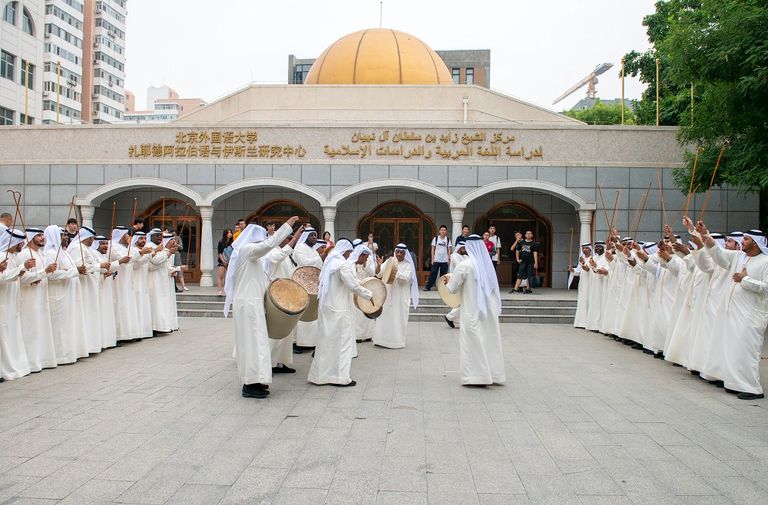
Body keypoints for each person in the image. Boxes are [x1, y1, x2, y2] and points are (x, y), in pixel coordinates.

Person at [224, 217, 298, 399]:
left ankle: (257, 380)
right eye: (260, 239)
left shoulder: (253, 258)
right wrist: (287, 227)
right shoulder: (246, 250)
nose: (262, 242)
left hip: (253, 303)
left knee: (257, 343)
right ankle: (250, 384)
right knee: (252, 343)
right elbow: (267, 246)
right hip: (248, 304)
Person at [699, 223, 768, 400]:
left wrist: (745, 280)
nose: (742, 242)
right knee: (732, 348)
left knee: (747, 350)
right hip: (734, 312)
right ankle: (735, 383)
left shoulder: (765, 262)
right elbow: (720, 256)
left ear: (756, 243)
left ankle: (753, 388)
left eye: (746, 239)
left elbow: (766, 288)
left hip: (751, 314)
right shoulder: (739, 257)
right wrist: (705, 236)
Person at [308, 241, 373, 387]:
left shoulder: (329, 264)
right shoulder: (341, 265)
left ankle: (320, 376)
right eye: (349, 252)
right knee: (342, 343)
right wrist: (369, 295)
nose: (350, 255)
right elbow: (353, 285)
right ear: (345, 251)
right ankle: (340, 378)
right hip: (340, 310)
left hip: (327, 309)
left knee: (326, 343)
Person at [444, 235, 505, 386]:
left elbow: (452, 289)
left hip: (472, 310)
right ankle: (494, 374)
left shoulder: (465, 265)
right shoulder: (486, 265)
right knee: (488, 339)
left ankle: (476, 377)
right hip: (488, 311)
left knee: (472, 342)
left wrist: (447, 282)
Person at [17, 228, 59, 372]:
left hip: (41, 298)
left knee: (40, 329)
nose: (42, 238)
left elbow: (41, 275)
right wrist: (43, 273)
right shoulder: (23, 254)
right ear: (30, 238)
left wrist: (45, 273)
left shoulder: (40, 254)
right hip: (29, 299)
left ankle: (40, 361)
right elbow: (22, 278)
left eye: (43, 235)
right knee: (30, 330)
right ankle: (30, 363)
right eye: (39, 236)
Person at [44, 225, 88, 362]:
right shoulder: (51, 254)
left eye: (66, 235)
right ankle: (60, 356)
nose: (67, 237)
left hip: (67, 294)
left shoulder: (64, 252)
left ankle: (69, 354)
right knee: (59, 327)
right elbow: (51, 275)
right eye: (63, 235)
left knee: (68, 325)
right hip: (57, 295)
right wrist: (75, 271)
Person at [264, 227, 304, 373]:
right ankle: (270, 364)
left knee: (287, 331)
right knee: (276, 331)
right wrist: (294, 240)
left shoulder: (287, 254)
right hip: (276, 296)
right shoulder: (272, 252)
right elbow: (277, 257)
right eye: (287, 239)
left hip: (287, 295)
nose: (290, 242)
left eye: (290, 239)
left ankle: (281, 362)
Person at [373, 244, 418, 349]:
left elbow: (405, 279)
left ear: (405, 254)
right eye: (397, 251)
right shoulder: (389, 262)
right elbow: (378, 274)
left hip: (400, 297)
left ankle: (396, 342)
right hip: (388, 295)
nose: (399, 254)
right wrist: (379, 265)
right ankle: (381, 340)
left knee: (397, 319)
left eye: (401, 252)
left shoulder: (408, 265)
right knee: (384, 316)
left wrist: (395, 270)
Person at [0, 228, 31, 381]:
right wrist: (22, 268)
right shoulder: (1, 256)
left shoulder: (13, 257)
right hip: (3, 303)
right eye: (20, 242)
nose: (22, 245)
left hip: (11, 302)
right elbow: (3, 278)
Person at [293, 227, 324, 350]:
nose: (314, 238)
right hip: (302, 282)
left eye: (315, 235)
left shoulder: (313, 250)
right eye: (312, 236)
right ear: (305, 237)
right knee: (303, 314)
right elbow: (304, 262)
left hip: (312, 284)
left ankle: (311, 342)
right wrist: (321, 257)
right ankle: (300, 342)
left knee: (311, 314)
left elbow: (319, 265)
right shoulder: (300, 248)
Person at [108, 226, 139, 342]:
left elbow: (132, 261)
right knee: (119, 306)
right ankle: (119, 335)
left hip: (127, 280)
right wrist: (140, 253)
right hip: (119, 280)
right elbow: (124, 260)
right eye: (126, 234)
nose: (128, 237)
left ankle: (127, 333)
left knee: (126, 305)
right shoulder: (113, 246)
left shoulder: (124, 247)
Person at [91, 235, 118, 349]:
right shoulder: (93, 254)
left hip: (106, 286)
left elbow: (108, 268)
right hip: (99, 288)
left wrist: (111, 271)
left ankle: (108, 341)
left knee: (107, 313)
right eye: (102, 244)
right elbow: (96, 268)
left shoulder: (105, 255)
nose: (105, 246)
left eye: (106, 243)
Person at [444, 237, 466, 328]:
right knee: (462, 302)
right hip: (455, 280)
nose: (465, 250)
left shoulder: (466, 256)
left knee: (463, 302)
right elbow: (459, 266)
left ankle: (451, 317)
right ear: (459, 248)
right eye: (463, 248)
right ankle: (450, 316)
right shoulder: (454, 256)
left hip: (464, 281)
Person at [571, 243, 592, 328]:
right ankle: (581, 322)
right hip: (583, 283)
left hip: (590, 283)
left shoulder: (592, 258)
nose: (585, 250)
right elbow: (578, 272)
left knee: (588, 300)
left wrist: (583, 264)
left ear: (590, 250)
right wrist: (572, 270)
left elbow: (587, 269)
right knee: (582, 300)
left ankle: (588, 322)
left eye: (587, 248)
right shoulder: (582, 260)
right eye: (583, 248)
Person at [424, 225, 451, 291]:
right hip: (436, 260)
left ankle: (442, 288)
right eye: (441, 230)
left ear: (446, 231)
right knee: (433, 274)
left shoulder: (447, 239)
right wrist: (432, 259)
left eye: (444, 230)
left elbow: (449, 249)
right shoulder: (436, 239)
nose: (443, 231)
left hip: (444, 260)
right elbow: (433, 249)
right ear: (439, 231)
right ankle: (428, 287)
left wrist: (449, 259)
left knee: (443, 275)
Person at [217, 229, 233, 296]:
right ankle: (220, 291)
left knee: (229, 277)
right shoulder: (221, 242)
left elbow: (234, 253)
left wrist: (229, 260)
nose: (230, 234)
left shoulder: (233, 242)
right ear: (225, 234)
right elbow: (219, 253)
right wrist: (223, 261)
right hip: (222, 261)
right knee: (220, 276)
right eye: (228, 232)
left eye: (230, 232)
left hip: (231, 261)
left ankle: (228, 291)